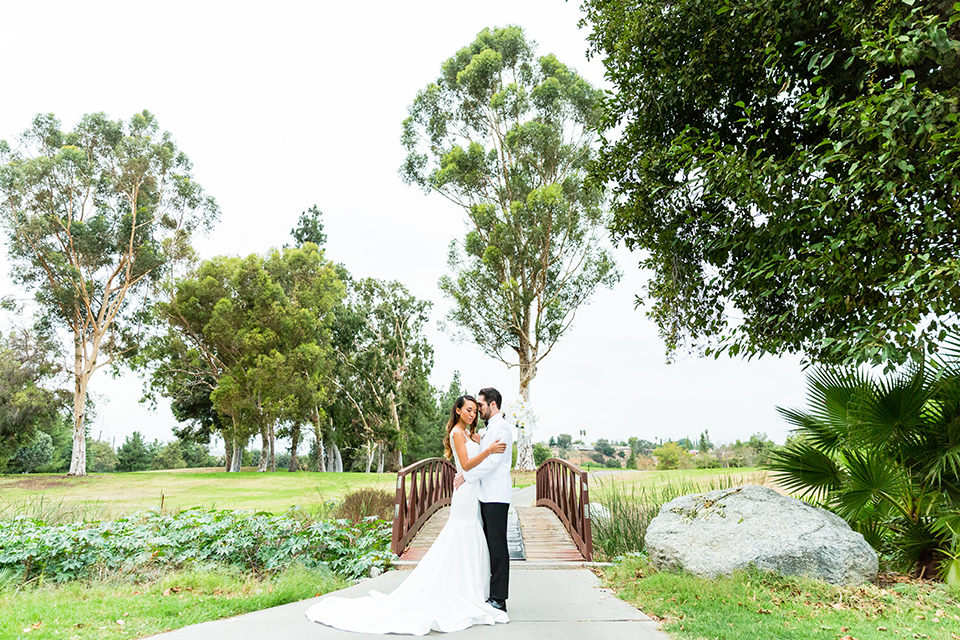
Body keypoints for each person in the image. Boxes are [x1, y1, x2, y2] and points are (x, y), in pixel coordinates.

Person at [304, 395, 509, 635]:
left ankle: (471, 590)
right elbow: (465, 462)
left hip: (475, 493)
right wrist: (489, 451)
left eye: (475, 410)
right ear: (458, 410)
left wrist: (482, 441)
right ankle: (457, 591)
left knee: (473, 537)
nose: (473, 414)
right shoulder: (456, 433)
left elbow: (477, 447)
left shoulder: (470, 434)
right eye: (469, 410)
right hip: (465, 491)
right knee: (461, 535)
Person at [454, 387, 513, 613]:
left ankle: (499, 598)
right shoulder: (490, 429)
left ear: (493, 404)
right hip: (483, 494)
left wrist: (466, 476)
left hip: (496, 495)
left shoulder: (503, 429)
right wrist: (479, 441)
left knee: (497, 546)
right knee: (487, 544)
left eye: (480, 405)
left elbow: (492, 463)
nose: (478, 409)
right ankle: (485, 592)